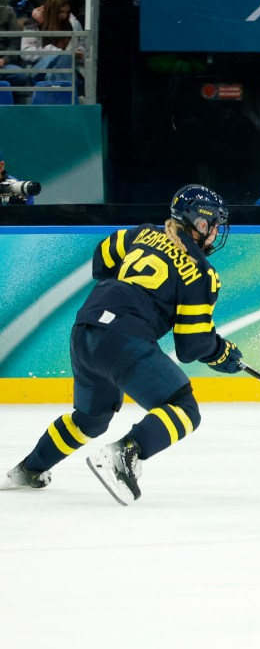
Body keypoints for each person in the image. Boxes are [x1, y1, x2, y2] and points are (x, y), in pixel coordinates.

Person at [1, 185, 247, 504]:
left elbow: (102, 258)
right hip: (123, 338)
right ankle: (126, 452)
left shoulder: (141, 234)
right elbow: (192, 346)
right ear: (200, 224)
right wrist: (223, 354)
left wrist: (129, 295)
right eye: (213, 225)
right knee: (185, 409)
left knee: (91, 418)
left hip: (85, 328)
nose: (215, 233)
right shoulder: (201, 271)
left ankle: (27, 470)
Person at [20, 0, 84, 91]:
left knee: (56, 70)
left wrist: (80, 53)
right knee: (63, 55)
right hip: (39, 69)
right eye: (60, 12)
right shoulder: (33, 24)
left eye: (66, 12)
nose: (63, 16)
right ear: (52, 10)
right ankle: (69, 97)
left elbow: (83, 47)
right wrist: (55, 52)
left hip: (68, 69)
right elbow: (26, 52)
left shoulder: (74, 25)